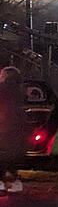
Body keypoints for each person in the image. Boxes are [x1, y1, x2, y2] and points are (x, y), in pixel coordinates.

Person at [0, 66, 27, 194]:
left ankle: (6, 182)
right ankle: (13, 182)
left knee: (4, 157)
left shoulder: (3, 90)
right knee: (9, 159)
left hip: (4, 130)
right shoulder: (20, 91)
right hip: (14, 132)